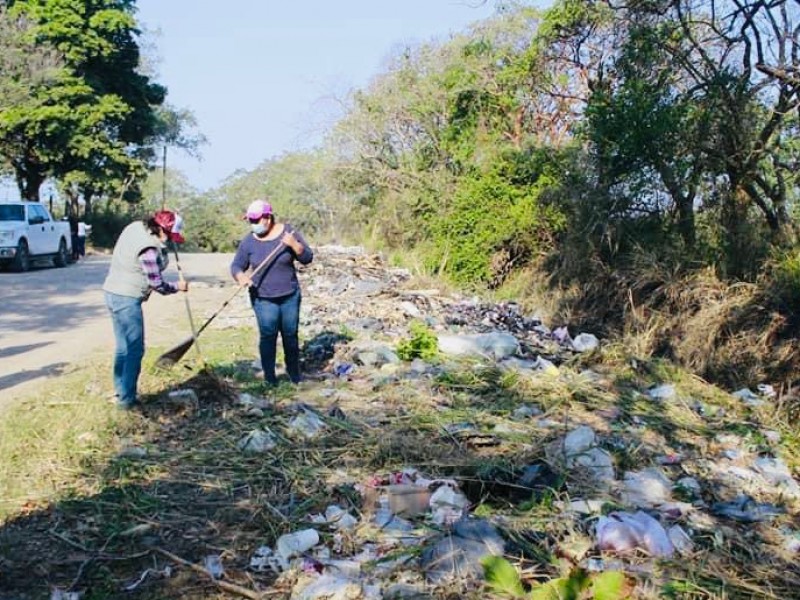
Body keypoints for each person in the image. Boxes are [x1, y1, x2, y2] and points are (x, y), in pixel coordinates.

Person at [102, 211, 189, 408]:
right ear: (160, 229)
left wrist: (165, 247)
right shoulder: (149, 249)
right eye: (168, 235)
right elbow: (157, 283)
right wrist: (177, 287)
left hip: (111, 292)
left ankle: (121, 390)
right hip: (126, 297)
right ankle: (127, 401)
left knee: (123, 346)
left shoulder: (135, 227)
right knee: (134, 349)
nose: (168, 239)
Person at [230, 199, 313, 385]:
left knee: (290, 335)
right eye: (250, 221)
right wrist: (240, 276)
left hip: (289, 295)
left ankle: (294, 375)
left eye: (256, 220)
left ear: (268, 218)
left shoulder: (288, 232)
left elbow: (307, 257)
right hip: (263, 297)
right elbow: (236, 265)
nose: (253, 225)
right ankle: (270, 378)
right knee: (268, 335)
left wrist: (294, 245)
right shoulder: (249, 242)